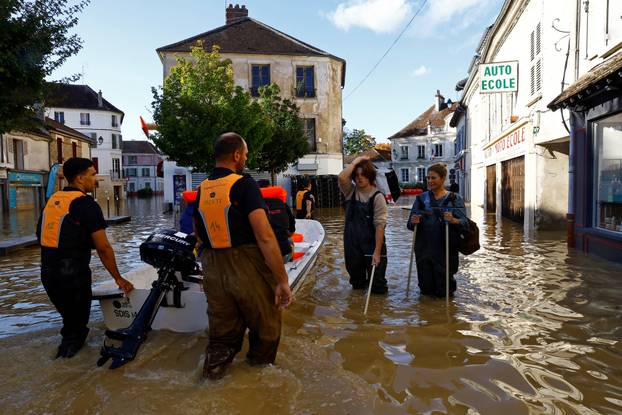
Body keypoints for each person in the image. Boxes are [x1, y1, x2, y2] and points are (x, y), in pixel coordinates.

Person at [193, 132, 292, 380]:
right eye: (245, 154)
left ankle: (211, 379)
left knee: (221, 335)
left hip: (213, 268)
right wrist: (282, 280)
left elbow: (198, 235)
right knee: (267, 328)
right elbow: (265, 236)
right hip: (246, 264)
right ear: (237, 155)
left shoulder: (201, 189)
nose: (246, 159)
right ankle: (257, 381)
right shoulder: (244, 184)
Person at [36, 157, 134, 358]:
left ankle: (64, 362)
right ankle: (69, 374)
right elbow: (103, 248)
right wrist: (118, 278)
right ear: (80, 178)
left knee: (70, 324)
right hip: (72, 275)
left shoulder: (53, 201)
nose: (95, 179)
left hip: (47, 274)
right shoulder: (86, 204)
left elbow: (43, 236)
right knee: (76, 330)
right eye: (92, 174)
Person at [407, 163, 468, 297]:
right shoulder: (421, 199)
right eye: (428, 178)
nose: (430, 181)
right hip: (424, 250)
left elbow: (465, 224)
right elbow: (410, 225)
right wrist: (414, 221)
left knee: (445, 290)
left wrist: (453, 220)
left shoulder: (455, 199)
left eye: (433, 178)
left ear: (443, 178)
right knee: (425, 290)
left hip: (446, 250)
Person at [338, 156, 388, 294]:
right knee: (357, 284)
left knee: (377, 286)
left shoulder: (378, 197)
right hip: (352, 246)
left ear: (370, 176)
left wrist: (377, 252)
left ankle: (377, 312)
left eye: (364, 175)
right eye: (357, 175)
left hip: (372, 245)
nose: (360, 178)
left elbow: (380, 226)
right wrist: (356, 161)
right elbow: (342, 178)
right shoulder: (350, 192)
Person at [257, 179, 296, 262]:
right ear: (270, 187)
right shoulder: (283, 204)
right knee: (290, 239)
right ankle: (291, 260)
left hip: (261, 257)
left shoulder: (253, 206)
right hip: (284, 254)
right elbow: (292, 229)